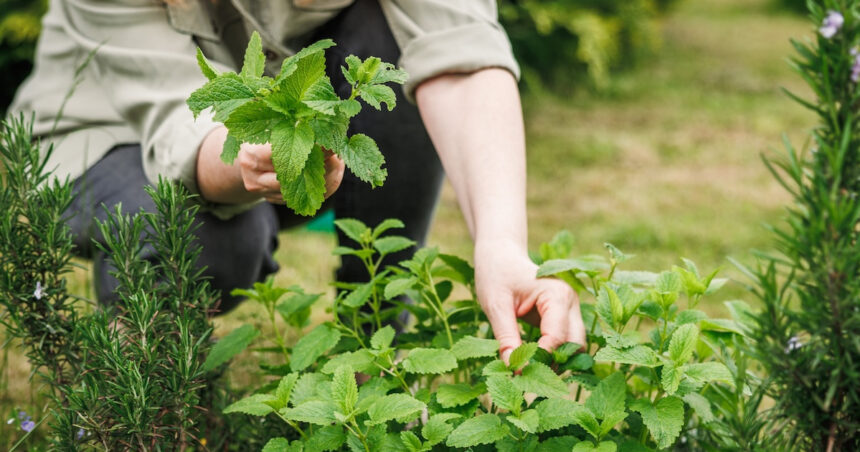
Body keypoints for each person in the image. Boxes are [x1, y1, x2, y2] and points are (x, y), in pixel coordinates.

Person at [10, 0, 584, 361]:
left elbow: (461, 54)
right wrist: (257, 159)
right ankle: (152, 381)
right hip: (103, 138)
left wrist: (503, 246)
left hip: (286, 141)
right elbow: (180, 129)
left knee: (391, 49)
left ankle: (378, 342)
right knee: (211, 246)